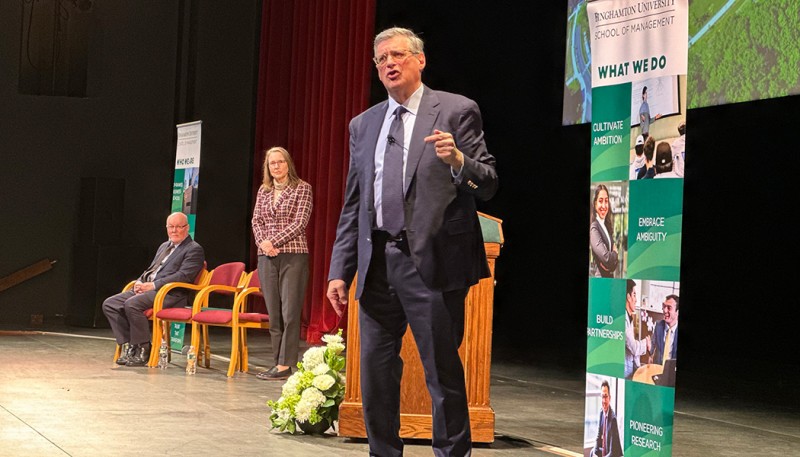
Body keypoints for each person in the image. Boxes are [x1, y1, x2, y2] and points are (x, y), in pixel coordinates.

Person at [326, 26, 498, 457]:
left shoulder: (456, 110)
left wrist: (458, 160)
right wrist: (339, 270)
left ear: (420, 60)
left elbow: (488, 182)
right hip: (377, 264)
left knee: (441, 372)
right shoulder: (364, 124)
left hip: (432, 264)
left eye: (398, 55)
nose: (389, 63)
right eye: (381, 58)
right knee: (375, 373)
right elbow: (354, 203)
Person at [102, 212, 205, 367]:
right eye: (171, 227)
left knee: (132, 304)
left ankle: (144, 348)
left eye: (178, 227)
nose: (174, 230)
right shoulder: (164, 246)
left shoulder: (194, 249)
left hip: (171, 293)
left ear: (187, 227)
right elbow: (152, 269)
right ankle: (131, 345)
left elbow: (184, 276)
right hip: (150, 290)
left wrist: (154, 285)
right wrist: (139, 281)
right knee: (110, 304)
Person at [251, 146, 313, 381]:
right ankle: (277, 362)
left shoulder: (302, 188)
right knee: (274, 313)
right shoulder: (264, 190)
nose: (276, 166)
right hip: (266, 257)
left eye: (280, 162)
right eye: (272, 163)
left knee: (290, 312)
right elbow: (256, 220)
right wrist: (263, 244)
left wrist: (272, 242)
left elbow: (300, 222)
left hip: (292, 255)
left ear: (288, 164)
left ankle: (286, 364)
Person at [590, 184, 618, 278]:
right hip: (600, 280)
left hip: (609, 279)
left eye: (606, 201)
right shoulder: (594, 228)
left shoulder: (606, 226)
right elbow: (607, 259)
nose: (604, 205)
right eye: (600, 201)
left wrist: (611, 262)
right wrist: (615, 254)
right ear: (595, 204)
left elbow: (613, 265)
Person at [624, 279, 650, 379]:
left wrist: (639, 367)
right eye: (634, 295)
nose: (636, 300)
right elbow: (634, 348)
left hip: (630, 370)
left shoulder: (629, 316)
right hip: (624, 373)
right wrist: (646, 343)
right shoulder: (623, 320)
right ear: (628, 297)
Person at [591, 380, 623, 457]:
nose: (604, 401)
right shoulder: (601, 413)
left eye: (605, 397)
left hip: (613, 454)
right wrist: (595, 453)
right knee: (592, 452)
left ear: (609, 398)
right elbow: (598, 436)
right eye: (602, 397)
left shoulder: (613, 419)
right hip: (605, 451)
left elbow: (613, 452)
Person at [651, 294, 679, 365]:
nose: (665, 310)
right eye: (664, 307)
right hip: (658, 368)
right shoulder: (658, 326)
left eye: (669, 308)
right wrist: (649, 349)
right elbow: (652, 348)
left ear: (677, 312)